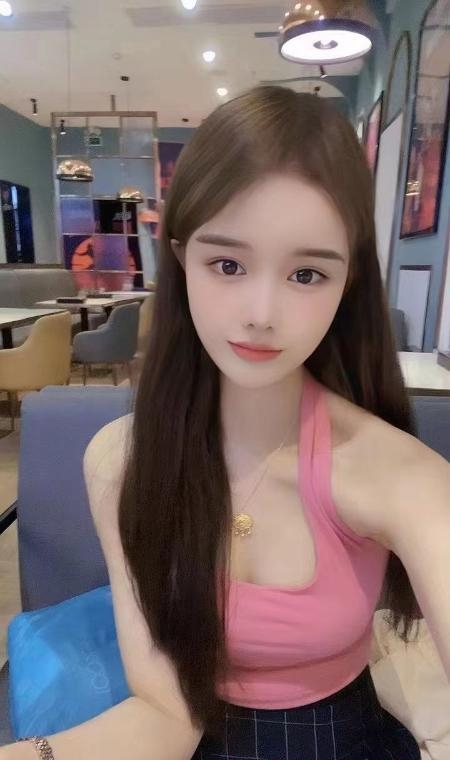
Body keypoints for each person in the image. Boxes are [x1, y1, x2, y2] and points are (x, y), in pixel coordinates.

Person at [5, 86, 450, 760]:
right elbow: (165, 718)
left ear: (348, 283)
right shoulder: (121, 461)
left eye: (307, 274)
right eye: (228, 264)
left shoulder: (395, 473)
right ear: (182, 260)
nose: (261, 313)